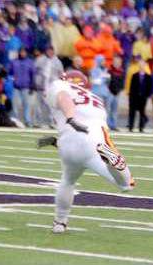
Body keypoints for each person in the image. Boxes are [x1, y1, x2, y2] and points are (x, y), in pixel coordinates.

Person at [35, 70, 134, 233]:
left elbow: (64, 98)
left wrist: (70, 119)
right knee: (126, 185)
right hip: (94, 141)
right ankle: (112, 162)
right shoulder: (96, 99)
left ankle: (60, 222)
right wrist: (70, 121)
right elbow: (67, 101)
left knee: (67, 180)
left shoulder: (59, 85)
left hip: (69, 143)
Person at [33, 46, 64, 128]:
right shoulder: (40, 59)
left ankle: (51, 122)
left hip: (52, 87)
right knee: (39, 105)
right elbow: (34, 71)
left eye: (51, 51)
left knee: (51, 106)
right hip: (41, 86)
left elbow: (61, 74)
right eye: (48, 51)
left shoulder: (57, 62)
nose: (50, 52)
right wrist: (36, 82)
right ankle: (38, 122)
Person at [8, 48, 35, 127]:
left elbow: (33, 74)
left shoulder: (30, 62)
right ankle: (15, 120)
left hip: (26, 87)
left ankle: (27, 120)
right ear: (19, 53)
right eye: (21, 52)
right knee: (15, 105)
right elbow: (10, 73)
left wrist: (32, 85)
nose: (22, 53)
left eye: (24, 52)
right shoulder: (14, 62)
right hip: (16, 87)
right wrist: (12, 81)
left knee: (27, 105)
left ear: (26, 53)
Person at [90, 55, 115, 130]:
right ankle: (97, 125)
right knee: (97, 110)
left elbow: (107, 81)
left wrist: (105, 77)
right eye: (102, 61)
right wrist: (103, 77)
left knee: (106, 110)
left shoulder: (105, 70)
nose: (104, 62)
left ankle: (105, 124)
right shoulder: (94, 70)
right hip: (97, 92)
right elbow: (95, 81)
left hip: (105, 92)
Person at [129, 61, 153, 132]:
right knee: (132, 112)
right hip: (134, 97)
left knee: (142, 112)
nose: (142, 67)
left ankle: (141, 127)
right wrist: (131, 97)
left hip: (143, 97)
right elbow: (132, 87)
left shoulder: (148, 77)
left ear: (145, 66)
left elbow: (149, 87)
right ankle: (131, 127)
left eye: (143, 65)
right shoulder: (134, 75)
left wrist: (147, 95)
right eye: (140, 65)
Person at [108, 56, 125, 131]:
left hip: (117, 93)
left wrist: (119, 90)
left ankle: (113, 125)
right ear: (113, 62)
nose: (117, 63)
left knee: (114, 110)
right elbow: (108, 82)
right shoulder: (109, 70)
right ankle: (107, 124)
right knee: (108, 110)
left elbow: (122, 83)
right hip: (110, 92)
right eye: (116, 62)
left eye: (119, 62)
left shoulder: (121, 71)